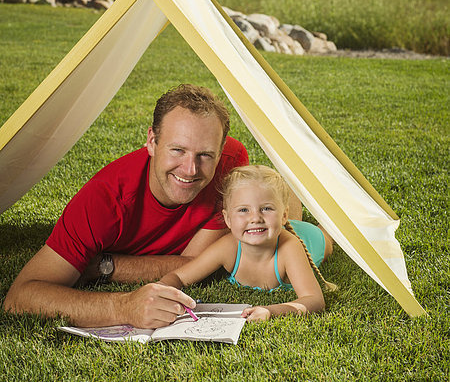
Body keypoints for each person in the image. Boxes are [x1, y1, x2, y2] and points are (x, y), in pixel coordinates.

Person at [3, 84, 250, 328]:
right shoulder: (104, 199)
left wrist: (104, 266)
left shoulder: (231, 162)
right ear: (152, 141)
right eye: (177, 150)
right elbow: (20, 298)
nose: (191, 169)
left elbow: (198, 263)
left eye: (205, 155)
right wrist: (124, 306)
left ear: (219, 152)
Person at [159, 165, 336, 321]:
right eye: (244, 210)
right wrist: (160, 291)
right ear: (227, 219)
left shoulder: (289, 248)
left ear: (283, 216)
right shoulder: (228, 247)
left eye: (266, 208)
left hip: (309, 238)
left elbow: (314, 300)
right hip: (276, 227)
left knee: (329, 236)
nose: (255, 218)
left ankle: (331, 210)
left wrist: (270, 311)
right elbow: (179, 277)